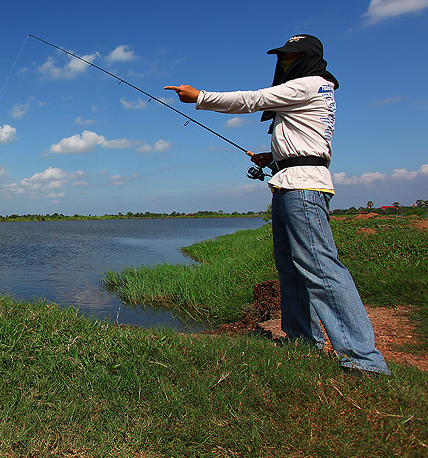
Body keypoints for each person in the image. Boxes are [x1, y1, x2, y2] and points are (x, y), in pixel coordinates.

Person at [164, 34, 389, 376]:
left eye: (291, 56)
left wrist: (200, 97)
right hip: (290, 182)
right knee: (292, 268)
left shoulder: (311, 83)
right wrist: (273, 156)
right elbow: (305, 142)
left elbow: (255, 99)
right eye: (282, 57)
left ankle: (363, 359)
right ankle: (301, 342)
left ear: (309, 57)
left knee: (321, 268)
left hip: (302, 189)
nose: (284, 63)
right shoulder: (312, 88)